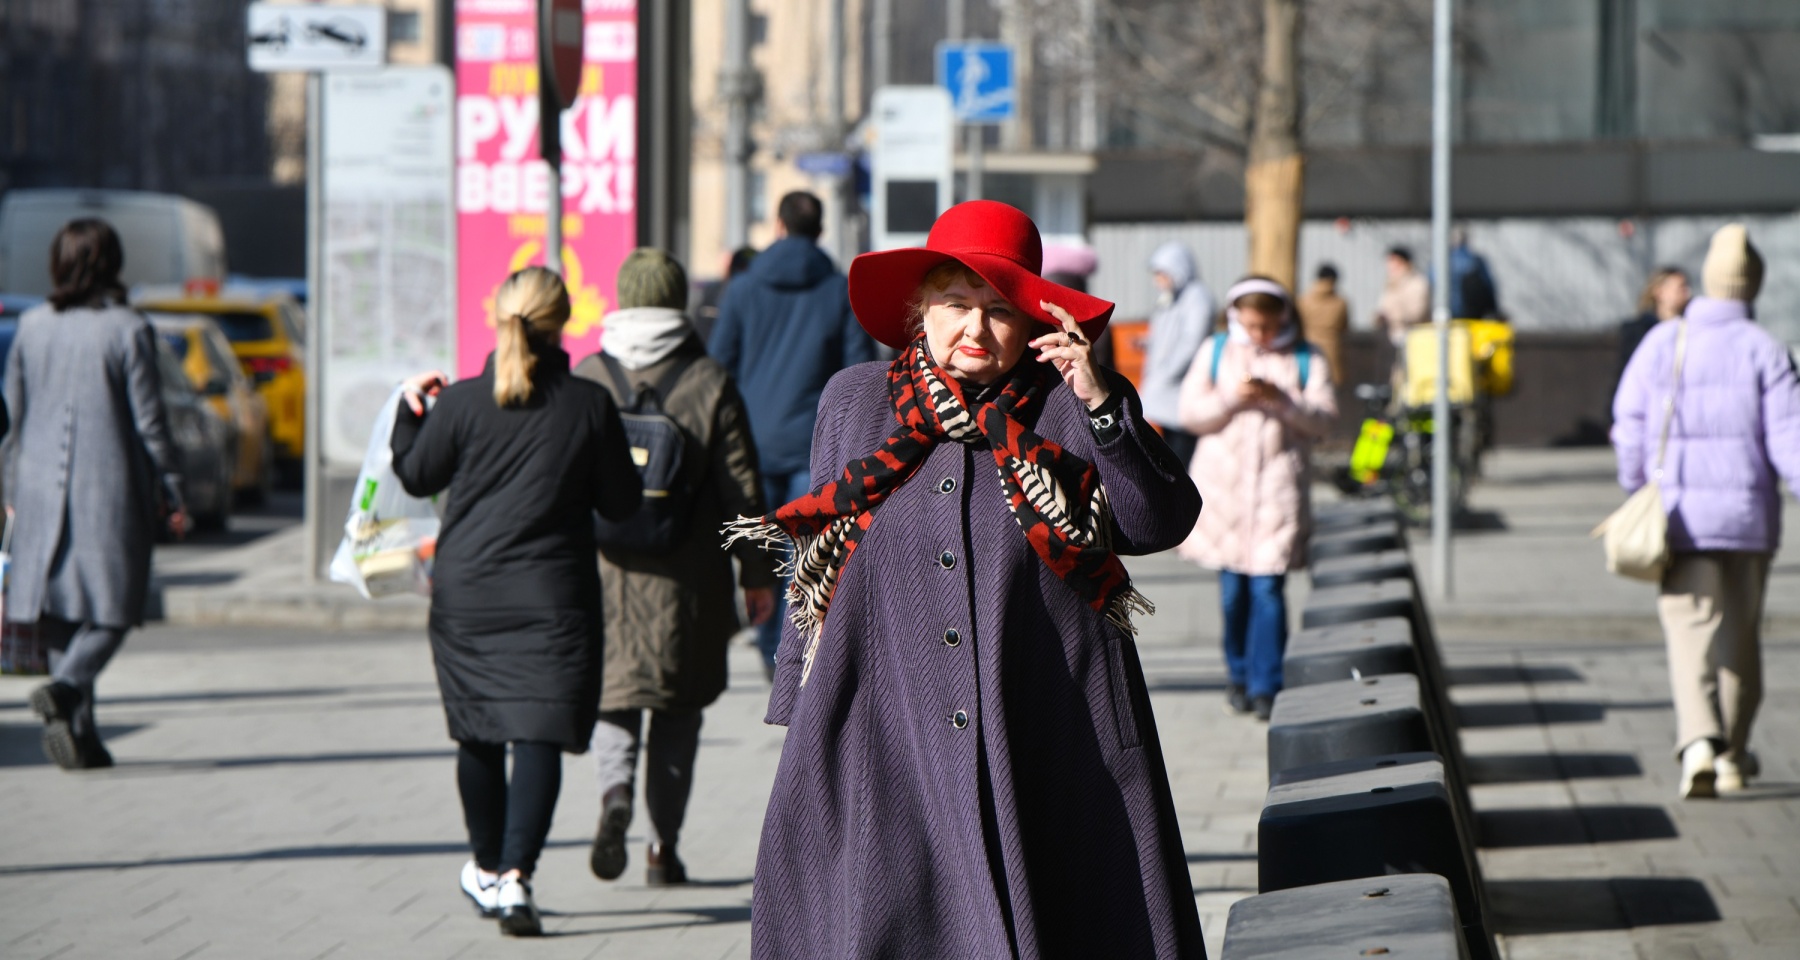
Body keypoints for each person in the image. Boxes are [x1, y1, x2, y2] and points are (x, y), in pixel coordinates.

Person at [731, 200, 1205, 958]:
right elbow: (820, 556)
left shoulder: (1068, 408)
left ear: (1035, 322)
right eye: (956, 305)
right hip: (883, 730)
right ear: (920, 310)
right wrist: (797, 694)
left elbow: (1158, 522)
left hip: (1050, 725)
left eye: (998, 311)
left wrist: (1102, 401)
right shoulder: (856, 401)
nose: (975, 332)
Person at [391, 266, 643, 936]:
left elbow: (416, 475)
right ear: (563, 320)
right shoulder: (588, 406)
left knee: (477, 730)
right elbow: (621, 504)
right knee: (536, 732)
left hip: (467, 596)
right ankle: (514, 879)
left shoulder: (464, 402)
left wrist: (407, 415)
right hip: (552, 597)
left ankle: (484, 865)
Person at [573, 249, 778, 887]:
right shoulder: (708, 378)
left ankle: (613, 797)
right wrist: (757, 571)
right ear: (677, 301)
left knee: (615, 697)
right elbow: (741, 484)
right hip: (688, 575)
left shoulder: (589, 375)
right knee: (678, 708)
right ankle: (663, 848)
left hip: (602, 570)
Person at [1612, 224, 1800, 800]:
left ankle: (1697, 741)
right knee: (1740, 640)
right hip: (1748, 520)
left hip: (1681, 518)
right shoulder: (1766, 349)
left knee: (1689, 632)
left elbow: (1631, 424)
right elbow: (1790, 442)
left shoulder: (1665, 342)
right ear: (1754, 285)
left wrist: (1636, 483)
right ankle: (1735, 758)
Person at [4, 218, 187, 771]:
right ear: (112, 262)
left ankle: (81, 737)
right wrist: (173, 488)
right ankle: (67, 687)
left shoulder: (31, 325)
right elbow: (150, 422)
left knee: (60, 610)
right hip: (108, 489)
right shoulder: (128, 328)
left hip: (35, 486)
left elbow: (11, 415)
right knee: (116, 606)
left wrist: (11, 487)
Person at [709, 190, 878, 679]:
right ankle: (794, 652)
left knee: (760, 547)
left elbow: (720, 368)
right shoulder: (837, 290)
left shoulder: (742, 289)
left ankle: (767, 650)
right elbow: (856, 372)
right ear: (820, 231)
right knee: (802, 553)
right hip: (814, 445)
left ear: (778, 227)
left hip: (751, 444)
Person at [1177, 277, 1338, 720]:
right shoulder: (1216, 350)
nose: (1260, 335)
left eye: (1267, 325)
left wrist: (1283, 401)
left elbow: (1324, 421)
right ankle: (1239, 674)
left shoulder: (1306, 357)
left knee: (1268, 589)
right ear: (1236, 317)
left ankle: (1267, 683)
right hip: (1222, 490)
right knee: (1233, 594)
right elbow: (1190, 414)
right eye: (1251, 325)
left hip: (1277, 490)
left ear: (1283, 317)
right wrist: (1233, 397)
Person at [1142, 241, 1215, 466]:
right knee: (1168, 446)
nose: (1158, 279)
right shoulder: (1173, 297)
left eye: (1161, 273)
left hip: (1181, 386)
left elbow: (1191, 342)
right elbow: (1166, 335)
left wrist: (1166, 373)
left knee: (1182, 451)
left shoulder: (1197, 298)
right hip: (1166, 389)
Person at [1618, 266, 1690, 374]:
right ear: (1659, 291)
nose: (1687, 293)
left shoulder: (1690, 328)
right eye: (1680, 288)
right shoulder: (1639, 331)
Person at [1297, 263, 1350, 385]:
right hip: (1332, 350)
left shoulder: (1304, 300)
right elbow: (1345, 327)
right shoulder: (1341, 302)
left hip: (1306, 349)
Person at [1376, 245, 1430, 345]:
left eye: (1395, 262)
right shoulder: (1390, 284)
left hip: (1414, 337)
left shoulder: (1417, 283)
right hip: (1392, 337)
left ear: (1405, 263)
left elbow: (1417, 313)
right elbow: (1383, 306)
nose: (1391, 266)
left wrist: (1393, 316)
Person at [1448, 226, 1499, 320]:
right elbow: (1488, 286)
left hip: (1449, 315)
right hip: (1472, 316)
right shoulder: (1476, 261)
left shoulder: (1441, 263)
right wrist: (1494, 309)